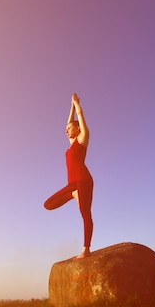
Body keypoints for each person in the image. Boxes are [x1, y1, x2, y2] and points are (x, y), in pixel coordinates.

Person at [44, 93, 94, 259]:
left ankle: (86, 249)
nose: (66, 131)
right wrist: (71, 106)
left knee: (85, 214)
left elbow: (79, 117)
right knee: (48, 204)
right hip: (72, 185)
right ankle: (73, 195)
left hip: (84, 180)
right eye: (66, 129)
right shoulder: (71, 143)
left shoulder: (82, 139)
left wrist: (77, 107)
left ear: (77, 128)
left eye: (69, 128)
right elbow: (69, 121)